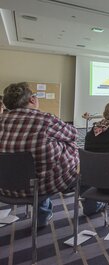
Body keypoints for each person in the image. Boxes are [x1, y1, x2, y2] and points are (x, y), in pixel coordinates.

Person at [0, 82, 79, 227]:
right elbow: (74, 134)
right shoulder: (46, 120)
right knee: (66, 148)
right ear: (32, 100)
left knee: (34, 161)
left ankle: (44, 213)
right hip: (41, 185)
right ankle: (83, 195)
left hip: (5, 185)